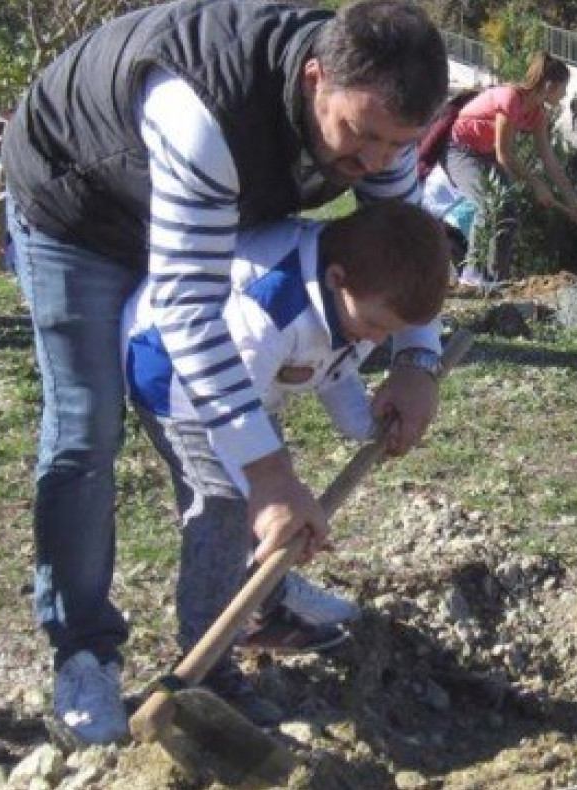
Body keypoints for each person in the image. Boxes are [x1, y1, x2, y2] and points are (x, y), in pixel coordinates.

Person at [1, 0, 449, 745]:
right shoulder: (201, 112)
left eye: (394, 147)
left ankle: (246, 593)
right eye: (361, 138)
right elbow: (188, 310)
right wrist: (270, 478)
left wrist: (417, 360)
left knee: (226, 471)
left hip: (192, 207)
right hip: (79, 206)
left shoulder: (380, 119)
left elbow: (411, 240)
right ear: (315, 78)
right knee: (87, 430)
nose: (372, 164)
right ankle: (83, 651)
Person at [122, 202, 447, 726]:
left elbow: (331, 368)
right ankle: (205, 668)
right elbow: (228, 414)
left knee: (275, 487)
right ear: (337, 280)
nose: (380, 341)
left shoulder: (355, 305)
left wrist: (367, 425)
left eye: (393, 333)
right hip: (181, 381)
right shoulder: (271, 310)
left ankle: (263, 610)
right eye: (378, 326)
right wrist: (269, 495)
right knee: (227, 508)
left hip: (250, 386)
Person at [442, 52, 577, 285]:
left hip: (486, 154)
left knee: (507, 210)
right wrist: (537, 184)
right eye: (564, 88)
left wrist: (576, 205)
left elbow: (551, 162)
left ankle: (498, 279)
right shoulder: (510, 99)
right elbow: (504, 153)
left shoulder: (538, 115)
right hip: (459, 150)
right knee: (488, 203)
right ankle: (472, 276)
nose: (565, 95)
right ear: (549, 86)